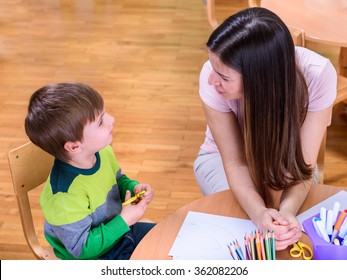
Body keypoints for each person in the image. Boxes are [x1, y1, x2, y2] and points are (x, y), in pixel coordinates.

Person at [194, 7, 337, 250]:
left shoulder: (318, 75)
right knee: (243, 228)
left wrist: (287, 214)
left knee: (287, 233)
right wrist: (259, 213)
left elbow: (304, 164)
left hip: (289, 164)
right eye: (213, 69)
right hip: (220, 160)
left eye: (224, 77)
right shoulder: (213, 77)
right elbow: (235, 163)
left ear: (259, 78)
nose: (211, 80)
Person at [24, 82, 155, 259]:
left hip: (120, 232)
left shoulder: (102, 151)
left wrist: (133, 188)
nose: (112, 119)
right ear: (74, 146)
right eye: (101, 121)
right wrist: (124, 220)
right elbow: (82, 249)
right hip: (93, 256)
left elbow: (117, 181)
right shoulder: (63, 197)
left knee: (170, 238)